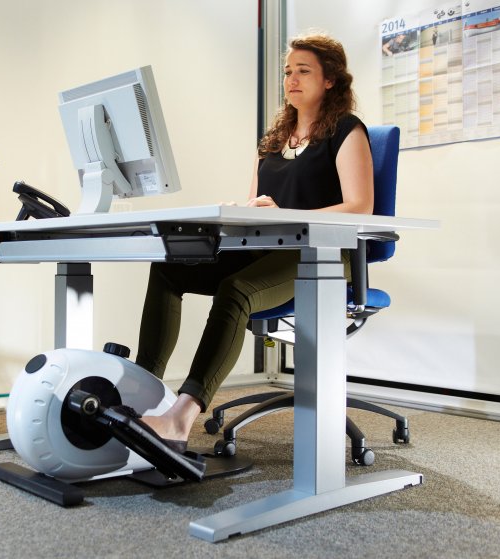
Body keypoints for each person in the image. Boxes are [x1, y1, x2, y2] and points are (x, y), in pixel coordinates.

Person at [135, 34, 374, 451]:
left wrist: (284, 213)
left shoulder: (346, 131)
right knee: (169, 268)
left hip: (322, 255)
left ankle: (180, 418)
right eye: (288, 71)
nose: (291, 79)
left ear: (330, 79)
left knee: (237, 289)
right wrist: (242, 211)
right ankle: (141, 391)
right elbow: (258, 203)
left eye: (303, 71)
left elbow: (360, 208)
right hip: (269, 248)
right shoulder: (275, 138)